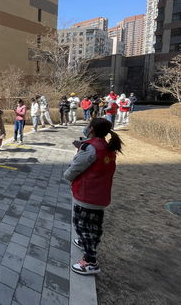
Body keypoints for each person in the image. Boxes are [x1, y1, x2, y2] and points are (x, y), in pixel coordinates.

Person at [63, 118, 123, 275]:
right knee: (94, 225)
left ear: (91, 129)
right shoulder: (107, 146)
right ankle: (86, 242)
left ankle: (90, 261)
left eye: (88, 125)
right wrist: (82, 146)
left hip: (86, 195)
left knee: (82, 225)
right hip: (100, 195)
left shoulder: (90, 148)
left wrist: (67, 174)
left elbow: (75, 168)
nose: (86, 127)